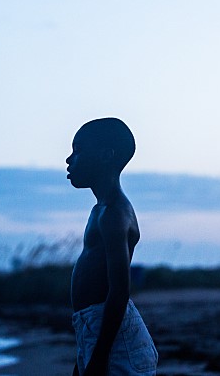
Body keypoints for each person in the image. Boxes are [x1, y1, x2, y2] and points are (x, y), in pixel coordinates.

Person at [66, 117, 158, 376]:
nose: (69, 159)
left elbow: (119, 291)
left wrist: (99, 356)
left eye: (78, 150)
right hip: (97, 329)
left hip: (117, 340)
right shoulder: (100, 211)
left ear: (106, 156)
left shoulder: (115, 213)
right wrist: (85, 354)